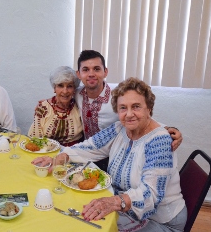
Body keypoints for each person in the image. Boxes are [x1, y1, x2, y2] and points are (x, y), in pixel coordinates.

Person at [33, 77, 187, 231]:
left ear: (149, 108)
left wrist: (114, 202)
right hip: (126, 211)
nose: (129, 114)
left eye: (136, 106)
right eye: (123, 108)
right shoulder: (120, 128)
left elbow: (151, 194)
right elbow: (90, 146)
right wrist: (61, 156)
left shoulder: (159, 141)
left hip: (159, 221)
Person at [28, 66, 83, 146]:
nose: (65, 91)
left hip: (74, 153)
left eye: (69, 86)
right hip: (47, 152)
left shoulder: (79, 106)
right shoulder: (43, 108)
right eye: (60, 85)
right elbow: (36, 139)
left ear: (74, 89)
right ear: (54, 88)